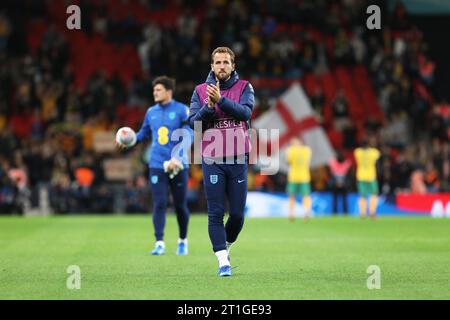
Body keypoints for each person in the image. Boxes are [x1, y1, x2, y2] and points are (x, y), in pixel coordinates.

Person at [188, 47, 255, 277]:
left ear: (233, 66)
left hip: (238, 158)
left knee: (237, 215)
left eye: (226, 62)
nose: (222, 66)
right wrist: (208, 107)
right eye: (218, 62)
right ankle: (222, 261)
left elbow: (246, 114)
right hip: (212, 159)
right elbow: (193, 123)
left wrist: (221, 101)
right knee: (215, 213)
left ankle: (225, 246)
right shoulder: (199, 91)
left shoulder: (245, 87)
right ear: (212, 66)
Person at [116, 76, 193, 255]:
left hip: (179, 164)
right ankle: (159, 243)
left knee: (180, 205)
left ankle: (183, 240)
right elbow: (143, 134)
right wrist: (129, 140)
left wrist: (178, 158)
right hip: (157, 163)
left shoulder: (182, 110)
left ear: (168, 91)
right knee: (159, 203)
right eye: (154, 90)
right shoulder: (151, 112)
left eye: (158, 90)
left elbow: (188, 135)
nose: (155, 93)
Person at [285, 137, 312, 222]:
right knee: (306, 196)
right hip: (304, 177)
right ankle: (307, 212)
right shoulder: (307, 150)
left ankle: (291, 213)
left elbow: (288, 161)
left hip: (293, 177)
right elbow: (308, 162)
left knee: (292, 196)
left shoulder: (290, 150)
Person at [354, 140, 380, 219]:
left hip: (361, 176)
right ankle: (372, 212)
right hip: (371, 176)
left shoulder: (357, 152)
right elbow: (377, 156)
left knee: (362, 195)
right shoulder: (374, 152)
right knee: (374, 194)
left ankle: (362, 213)